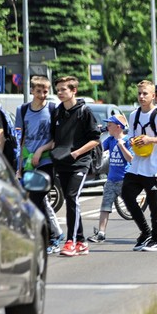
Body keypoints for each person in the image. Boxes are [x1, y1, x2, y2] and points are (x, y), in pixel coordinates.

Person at [123, 80, 157, 252]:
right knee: (126, 195)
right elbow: (131, 135)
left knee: (154, 204)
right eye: (139, 93)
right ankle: (145, 232)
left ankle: (156, 239)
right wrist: (133, 141)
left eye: (145, 93)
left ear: (153, 96)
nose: (141, 96)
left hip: (154, 167)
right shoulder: (134, 115)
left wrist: (151, 140)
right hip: (137, 165)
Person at [50, 76, 101, 257]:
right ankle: (81, 241)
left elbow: (95, 139)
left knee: (72, 197)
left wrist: (77, 153)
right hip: (62, 163)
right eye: (58, 89)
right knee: (71, 201)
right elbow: (54, 140)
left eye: (64, 89)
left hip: (80, 162)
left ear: (73, 91)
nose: (60, 92)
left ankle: (70, 242)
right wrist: (41, 150)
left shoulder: (84, 111)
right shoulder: (57, 112)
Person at [15, 76, 62, 253]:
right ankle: (52, 235)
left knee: (36, 199)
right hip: (28, 162)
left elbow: (56, 139)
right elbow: (21, 138)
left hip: (46, 160)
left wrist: (40, 150)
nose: (43, 95)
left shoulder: (52, 108)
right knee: (37, 200)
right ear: (32, 91)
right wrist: (19, 166)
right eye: (39, 91)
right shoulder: (23, 110)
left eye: (46, 91)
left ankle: (51, 237)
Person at [88, 115, 133, 243]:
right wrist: (96, 134)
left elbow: (131, 159)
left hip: (124, 180)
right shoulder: (110, 140)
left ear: (118, 127)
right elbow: (99, 149)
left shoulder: (128, 140)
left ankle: (145, 231)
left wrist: (122, 146)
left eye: (110, 125)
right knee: (105, 206)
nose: (108, 127)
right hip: (111, 180)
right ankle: (101, 233)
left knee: (132, 208)